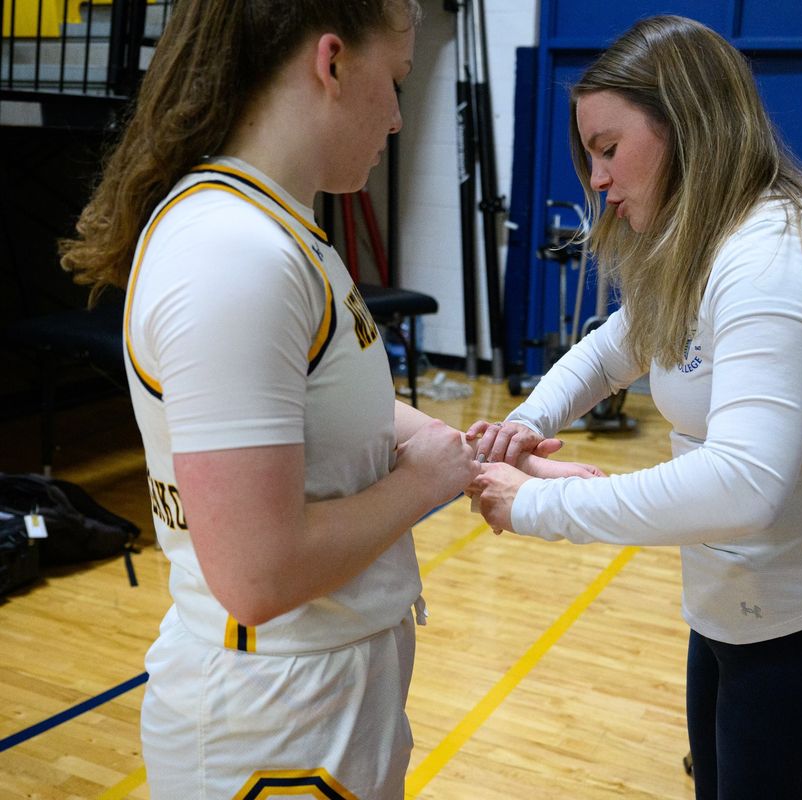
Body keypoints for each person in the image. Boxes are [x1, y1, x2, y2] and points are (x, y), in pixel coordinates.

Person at [468, 15, 802, 799]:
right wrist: (531, 421)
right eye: (591, 156)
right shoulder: (701, 241)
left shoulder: (774, 256)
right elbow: (614, 346)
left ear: (686, 126)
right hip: (737, 617)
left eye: (608, 150)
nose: (597, 180)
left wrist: (546, 503)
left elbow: (743, 485)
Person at [56, 1, 499, 795]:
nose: (398, 118)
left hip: (317, 689)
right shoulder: (233, 253)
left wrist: (461, 452)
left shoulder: (275, 230)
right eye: (395, 82)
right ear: (331, 63)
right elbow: (259, 572)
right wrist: (426, 482)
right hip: (276, 717)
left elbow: (317, 406)